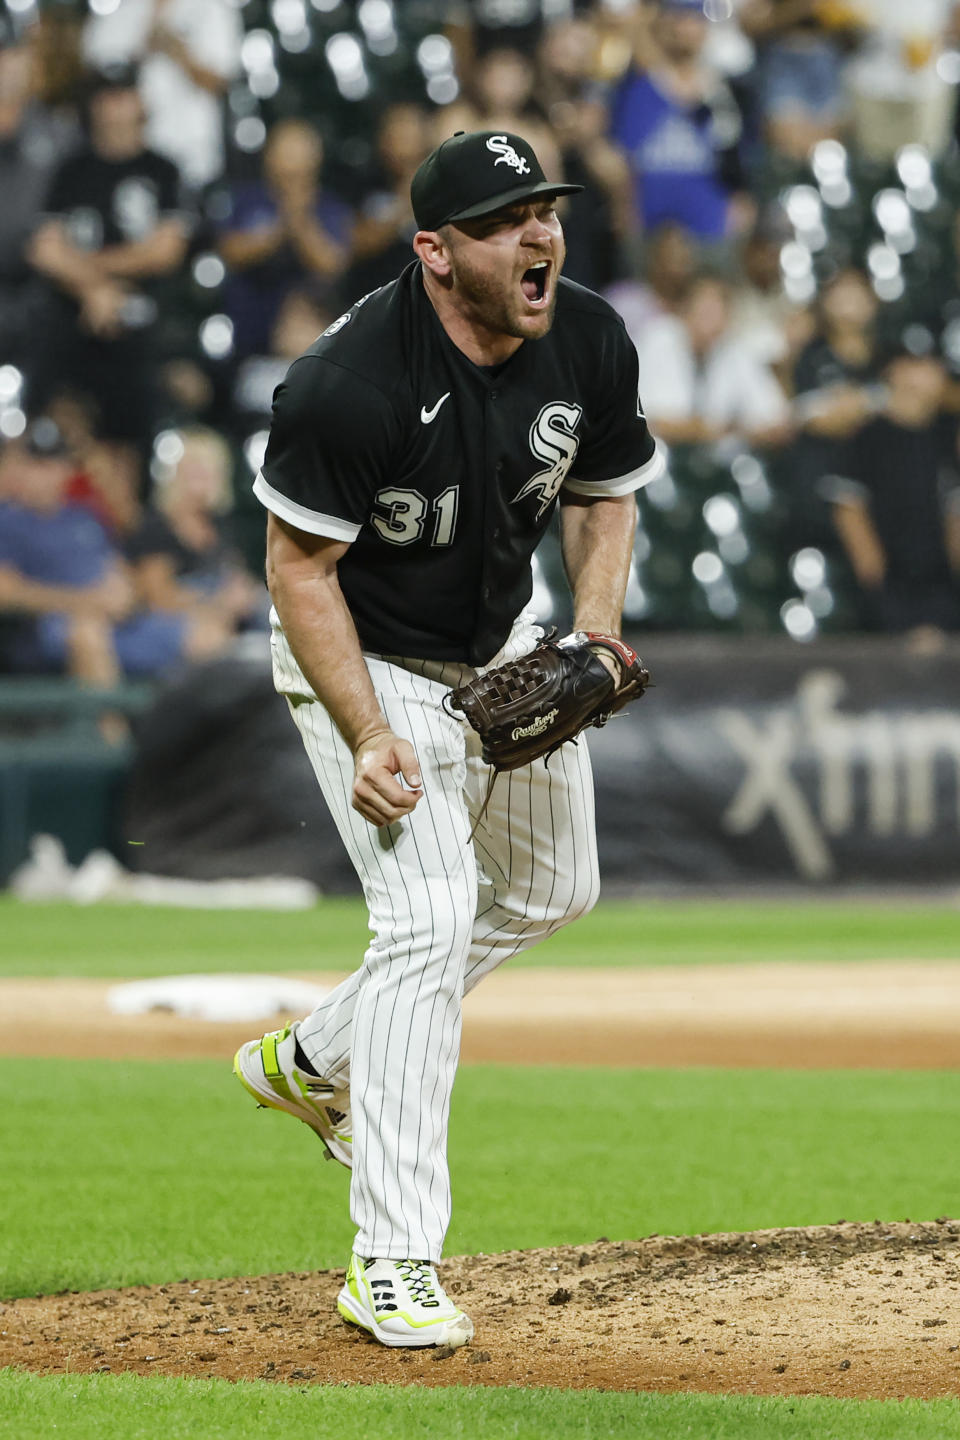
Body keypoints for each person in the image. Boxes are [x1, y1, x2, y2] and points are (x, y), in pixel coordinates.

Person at [233, 128, 662, 1349]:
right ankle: (393, 1260)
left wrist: (591, 633)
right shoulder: (348, 381)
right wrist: (367, 734)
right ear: (436, 249)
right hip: (361, 655)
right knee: (424, 918)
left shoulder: (585, 334)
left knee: (554, 887)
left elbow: (606, 491)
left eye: (548, 210)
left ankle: (317, 1057)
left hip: (498, 641)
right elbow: (296, 570)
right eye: (506, 218)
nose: (541, 234)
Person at [27, 62, 190, 467]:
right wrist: (93, 290)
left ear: (139, 102)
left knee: (141, 393)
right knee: (41, 371)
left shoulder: (162, 169)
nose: (114, 106)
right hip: (75, 312)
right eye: (105, 96)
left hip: (144, 314)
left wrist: (91, 275)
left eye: (122, 94)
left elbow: (165, 251)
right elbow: (43, 251)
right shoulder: (71, 169)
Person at [824, 344, 960, 633]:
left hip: (941, 586)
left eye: (933, 366)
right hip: (888, 589)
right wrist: (879, 588)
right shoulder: (865, 435)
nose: (928, 376)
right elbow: (850, 513)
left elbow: (954, 516)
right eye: (917, 365)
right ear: (895, 371)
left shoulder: (947, 435)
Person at [216, 119, 350, 362]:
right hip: (247, 336)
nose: (292, 164)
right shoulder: (248, 198)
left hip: (309, 337)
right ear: (269, 157)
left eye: (299, 154)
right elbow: (231, 252)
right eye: (285, 152)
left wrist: (300, 222)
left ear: (315, 160)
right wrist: (278, 229)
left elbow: (331, 264)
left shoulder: (330, 207)